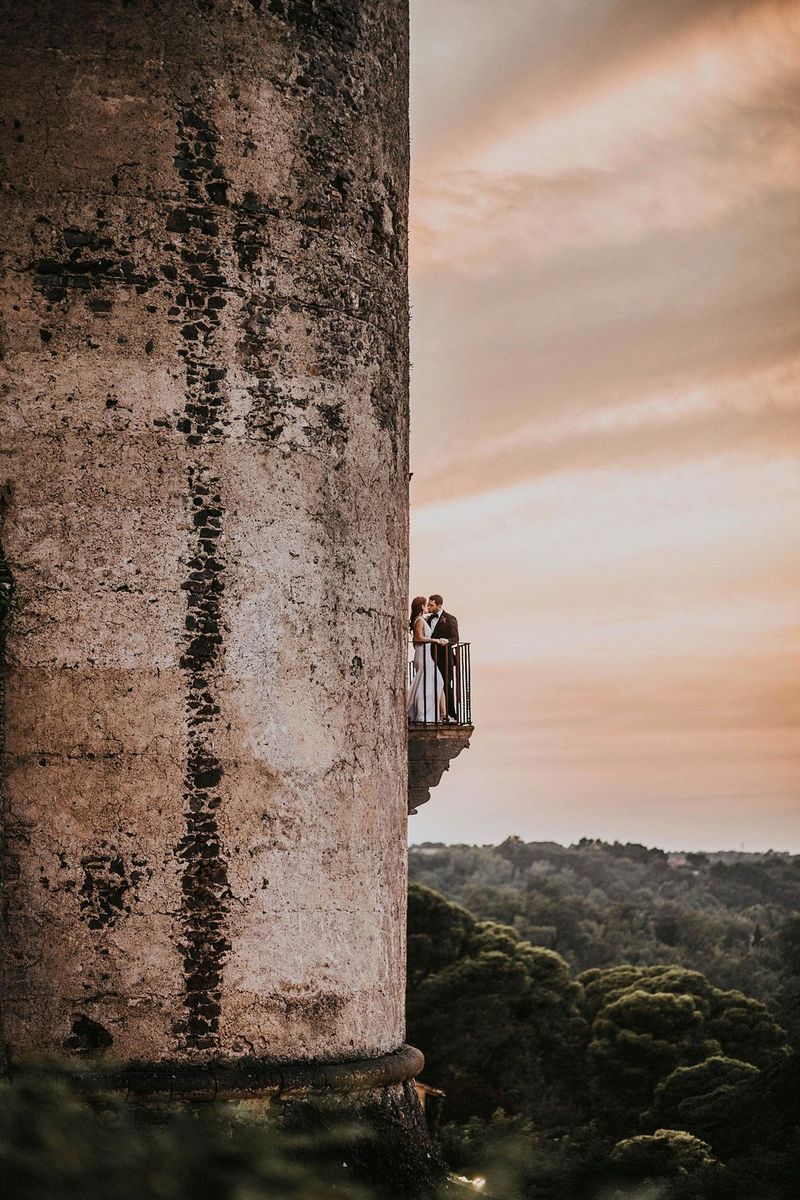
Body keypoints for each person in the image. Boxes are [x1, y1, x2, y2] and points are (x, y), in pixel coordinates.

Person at [407, 595, 449, 723]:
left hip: (425, 654)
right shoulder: (419, 620)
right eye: (426, 605)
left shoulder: (421, 620)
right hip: (423, 655)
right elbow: (418, 638)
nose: (428, 607)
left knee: (432, 681)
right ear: (422, 606)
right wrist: (435, 640)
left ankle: (437, 714)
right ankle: (422, 713)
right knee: (429, 683)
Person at [427, 594, 460, 721]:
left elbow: (455, 638)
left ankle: (451, 714)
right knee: (431, 685)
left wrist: (446, 641)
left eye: (431, 605)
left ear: (439, 605)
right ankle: (436, 714)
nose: (429, 607)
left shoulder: (450, 618)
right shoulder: (429, 619)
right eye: (428, 604)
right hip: (430, 657)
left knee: (446, 686)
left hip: (444, 658)